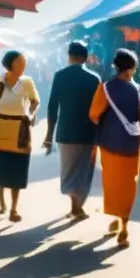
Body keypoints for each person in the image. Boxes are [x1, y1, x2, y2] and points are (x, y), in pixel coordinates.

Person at [89, 48, 140, 248]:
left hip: (110, 143)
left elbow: (94, 113)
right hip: (132, 144)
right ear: (132, 68)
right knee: (130, 183)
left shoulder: (105, 88)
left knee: (112, 183)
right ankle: (123, 224)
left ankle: (118, 216)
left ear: (116, 67)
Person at [44, 41, 102, 220]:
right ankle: (77, 206)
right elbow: (99, 109)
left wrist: (48, 136)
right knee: (84, 169)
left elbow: (52, 107)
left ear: (69, 57)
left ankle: (75, 206)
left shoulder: (60, 76)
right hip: (89, 132)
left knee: (69, 170)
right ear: (85, 58)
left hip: (66, 132)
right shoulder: (94, 78)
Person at [0, 50, 40, 222]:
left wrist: (30, 114)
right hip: (1, 129)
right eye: (20, 62)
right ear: (10, 64)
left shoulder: (27, 82)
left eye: (25, 62)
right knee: (1, 169)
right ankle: (2, 201)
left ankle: (14, 209)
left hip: (20, 131)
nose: (23, 66)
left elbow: (35, 101)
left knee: (17, 170)